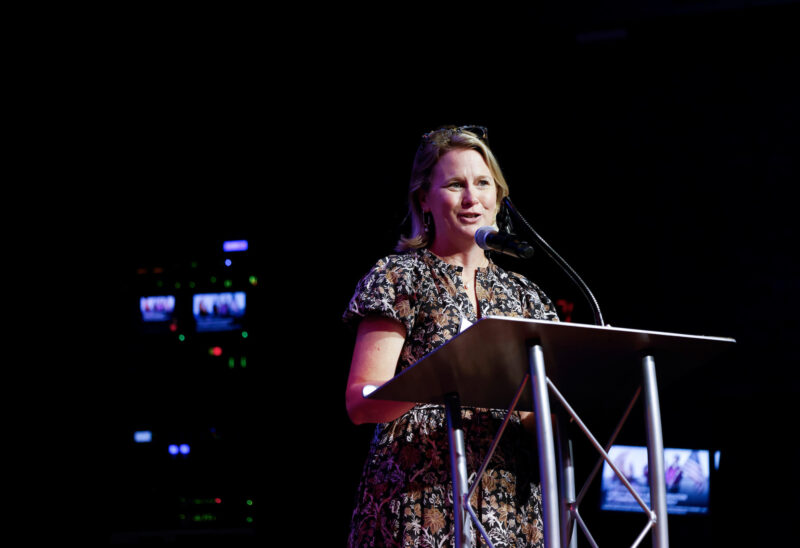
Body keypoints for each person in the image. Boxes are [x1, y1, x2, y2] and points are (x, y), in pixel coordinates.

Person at [343, 125, 560, 547]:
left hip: (510, 505)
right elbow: (359, 402)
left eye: (482, 183)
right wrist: (446, 377)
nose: (471, 198)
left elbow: (542, 420)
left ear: (499, 196)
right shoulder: (398, 277)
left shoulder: (529, 297)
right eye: (455, 185)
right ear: (423, 198)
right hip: (419, 499)